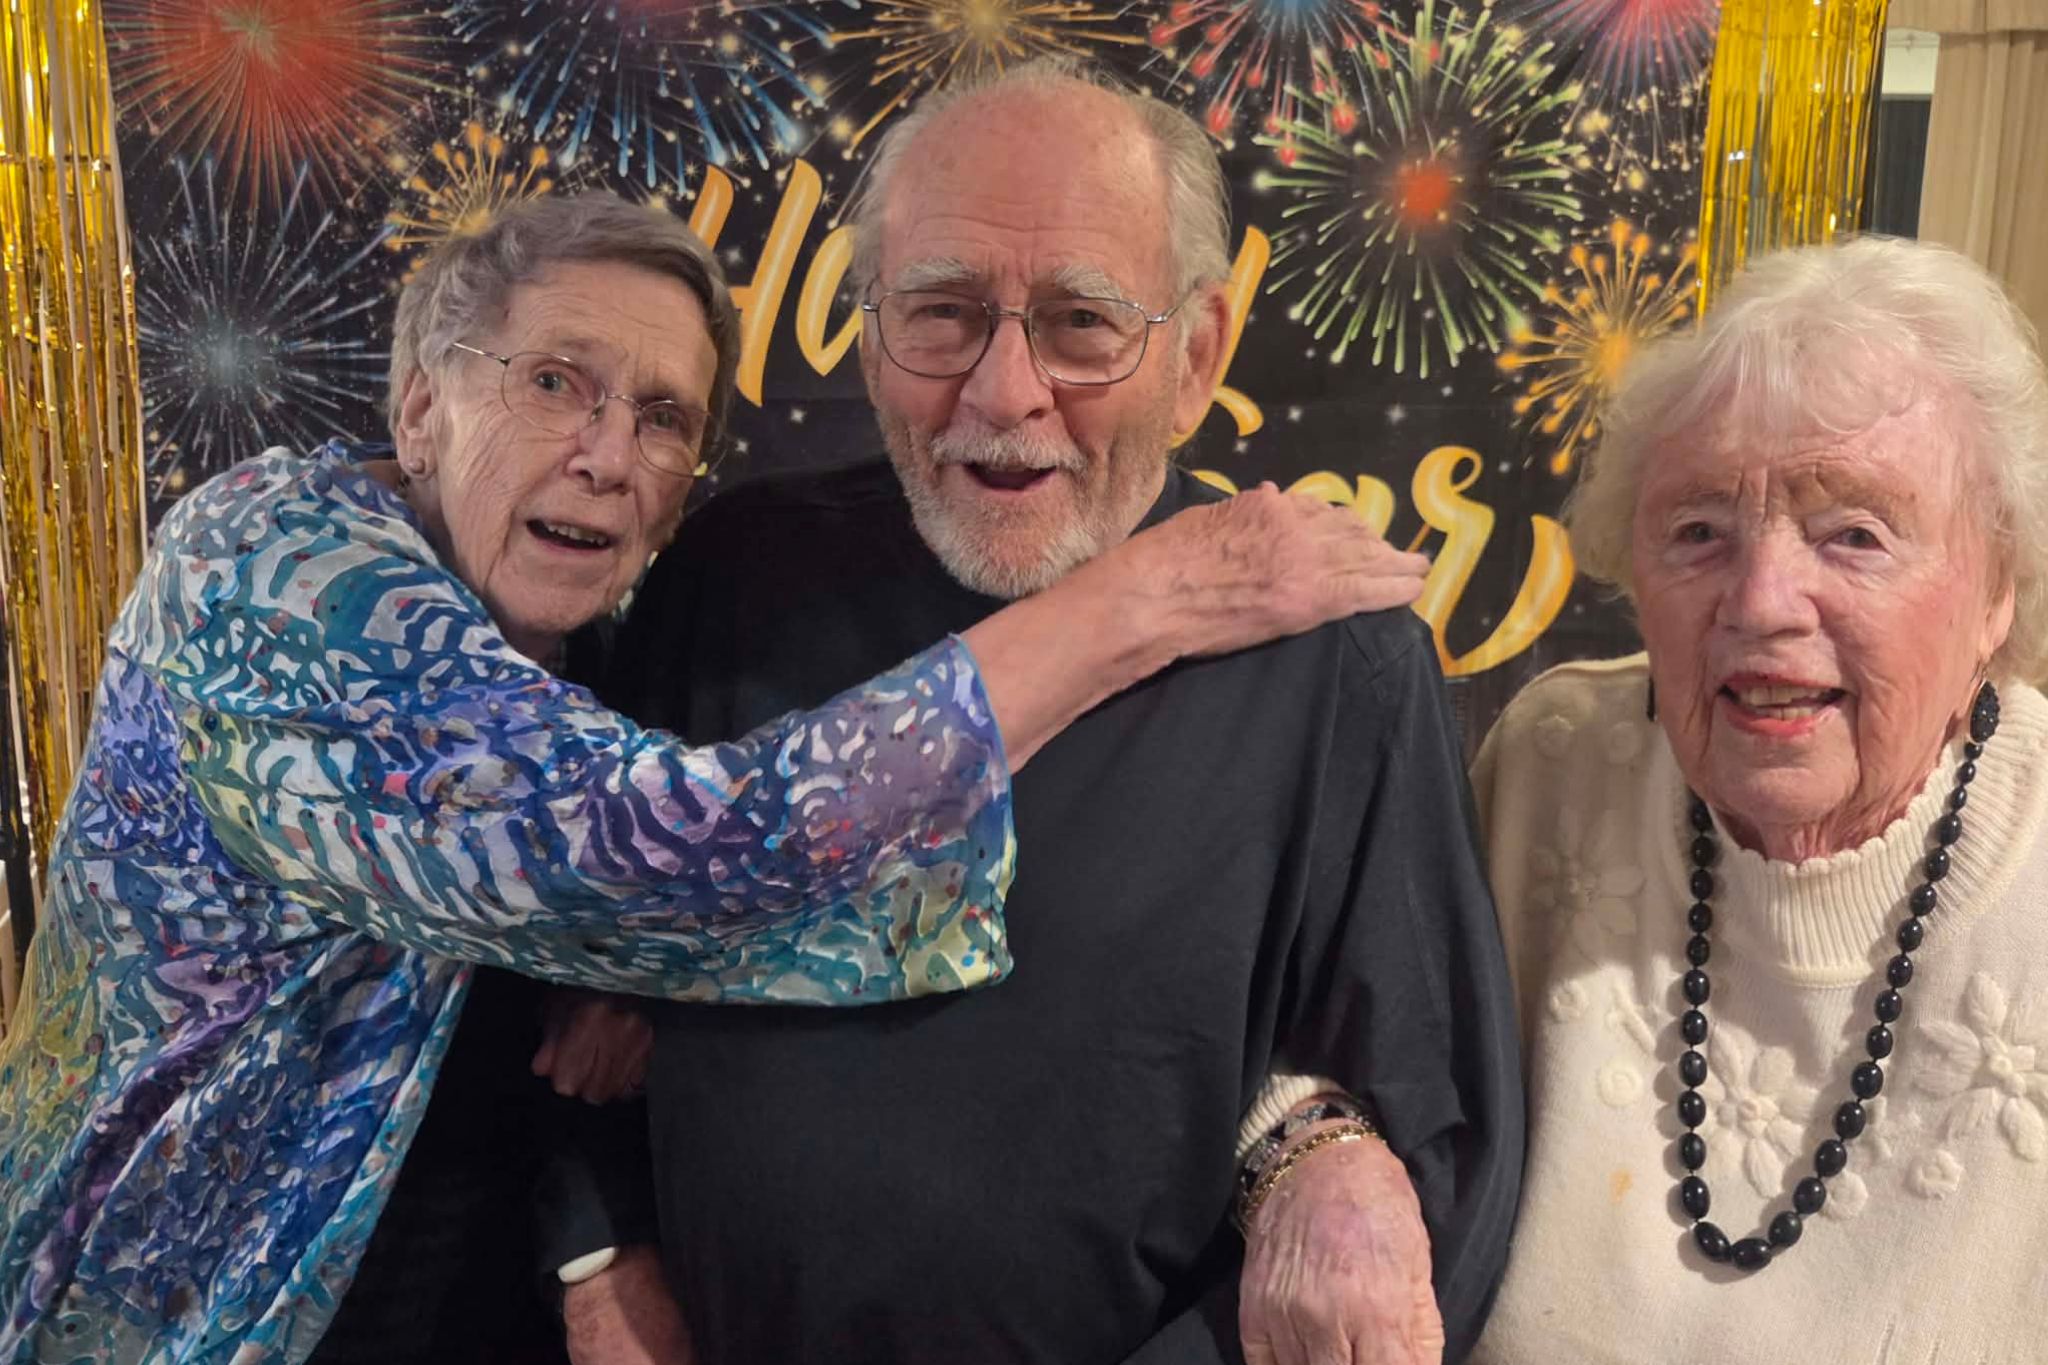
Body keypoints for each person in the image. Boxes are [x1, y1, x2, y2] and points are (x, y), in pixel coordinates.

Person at [0, 190, 1429, 1365]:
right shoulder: (274, 579)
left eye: (665, 417)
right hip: (210, 1316)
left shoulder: (565, 624)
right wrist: (1144, 598)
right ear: (421, 405)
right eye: (553, 383)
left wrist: (1302, 1129)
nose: (608, 456)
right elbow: (675, 852)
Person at [543, 61, 1522, 1365]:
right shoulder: (730, 574)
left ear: (1196, 355)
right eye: (942, 313)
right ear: (869, 331)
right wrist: (602, 1255)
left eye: (1080, 322)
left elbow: (1431, 1152)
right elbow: (554, 994)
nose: (1004, 393)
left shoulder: (1341, 661)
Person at [1468, 237, 2048, 1363]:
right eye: (1699, 532)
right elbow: (1328, 1029)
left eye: (1854, 535)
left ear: (1996, 592)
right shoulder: (1555, 765)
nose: (1762, 600)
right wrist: (1311, 1154)